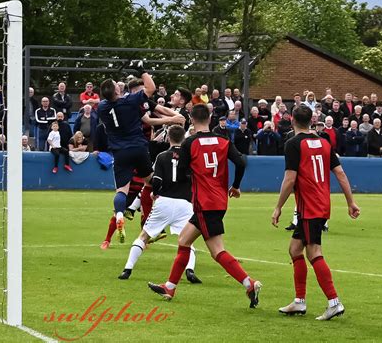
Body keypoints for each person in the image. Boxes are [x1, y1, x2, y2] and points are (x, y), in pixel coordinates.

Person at [148, 104, 262, 308]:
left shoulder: (189, 143)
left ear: (191, 119)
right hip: (217, 200)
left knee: (217, 251)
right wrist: (235, 186)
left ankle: (249, 283)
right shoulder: (224, 140)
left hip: (204, 202)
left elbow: (183, 173)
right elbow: (242, 163)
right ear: (209, 119)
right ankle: (170, 286)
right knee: (183, 240)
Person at [272, 105, 360, 321]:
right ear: (312, 120)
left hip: (309, 207)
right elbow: (340, 173)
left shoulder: (293, 144)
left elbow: (290, 179)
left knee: (313, 252)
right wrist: (351, 202)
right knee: (294, 249)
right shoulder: (325, 142)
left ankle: (334, 302)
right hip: (320, 205)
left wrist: (278, 206)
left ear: (292, 119)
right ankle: (299, 302)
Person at [118, 125, 201, 283]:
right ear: (183, 138)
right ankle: (190, 270)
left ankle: (127, 269)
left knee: (144, 236)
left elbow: (156, 180)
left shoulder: (162, 156)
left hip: (164, 201)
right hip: (185, 204)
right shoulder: (190, 157)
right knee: (187, 240)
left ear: (168, 138)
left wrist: (154, 193)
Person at [98, 60, 156, 243]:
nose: (119, 85)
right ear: (116, 91)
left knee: (122, 190)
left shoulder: (102, 108)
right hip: (138, 147)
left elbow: (107, 99)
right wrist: (142, 70)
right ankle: (154, 220)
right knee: (151, 184)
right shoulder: (129, 101)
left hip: (120, 152)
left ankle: (121, 214)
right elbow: (151, 88)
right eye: (117, 85)